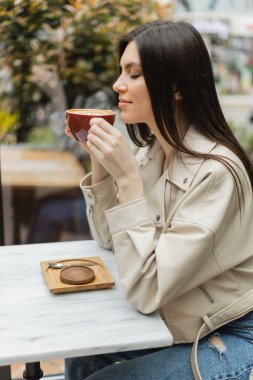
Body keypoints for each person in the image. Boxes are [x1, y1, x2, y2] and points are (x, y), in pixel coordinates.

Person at [64, 20, 253, 380]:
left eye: (133, 74)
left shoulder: (217, 173)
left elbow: (147, 289)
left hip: (233, 332)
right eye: (121, 72)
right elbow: (109, 239)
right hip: (182, 315)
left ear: (177, 87)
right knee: (81, 356)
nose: (118, 84)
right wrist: (101, 162)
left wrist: (128, 181)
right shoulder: (155, 152)